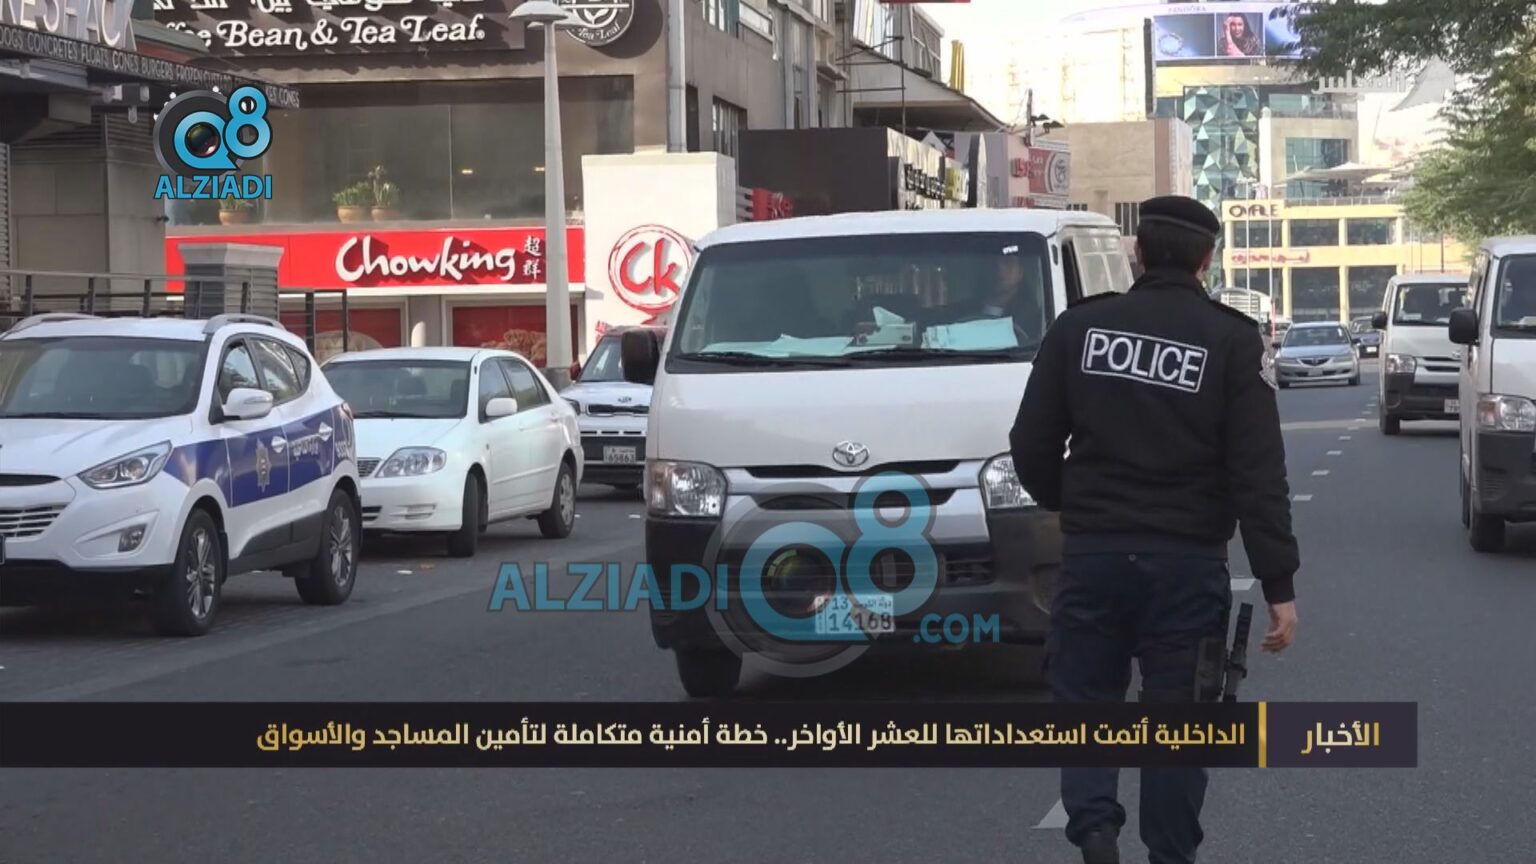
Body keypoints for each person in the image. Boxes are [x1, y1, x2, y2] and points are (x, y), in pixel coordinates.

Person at [1009, 195, 1300, 864]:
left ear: (1137, 253)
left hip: (1095, 557)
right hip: (1186, 566)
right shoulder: (1231, 340)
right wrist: (1278, 583)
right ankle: (1169, 853)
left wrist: (1076, 507)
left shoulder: (1081, 329)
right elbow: (1258, 474)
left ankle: (1094, 828)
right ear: (1207, 259)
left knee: (1087, 699)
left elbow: (1030, 443)